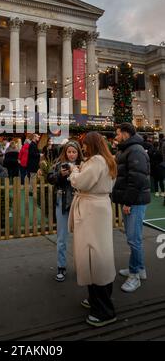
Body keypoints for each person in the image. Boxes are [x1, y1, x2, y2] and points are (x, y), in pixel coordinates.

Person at [68, 132, 117, 327]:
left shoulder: (97, 161)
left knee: (93, 254)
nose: (84, 148)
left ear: (93, 144)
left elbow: (81, 182)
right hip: (97, 208)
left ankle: (104, 310)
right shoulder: (106, 160)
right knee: (98, 252)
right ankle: (96, 299)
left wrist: (74, 171)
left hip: (91, 211)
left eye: (85, 144)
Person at [112, 122, 151, 292]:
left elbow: (137, 178)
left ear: (126, 133)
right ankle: (139, 269)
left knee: (133, 239)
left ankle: (135, 275)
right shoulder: (127, 149)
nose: (116, 136)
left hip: (134, 201)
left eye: (118, 133)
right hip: (132, 200)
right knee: (132, 237)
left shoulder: (135, 150)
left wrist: (128, 202)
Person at [47, 140, 83, 282]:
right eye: (69, 151)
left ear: (78, 152)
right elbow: (49, 178)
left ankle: (82, 265)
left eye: (74, 152)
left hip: (79, 202)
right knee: (62, 237)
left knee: (81, 237)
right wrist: (60, 175)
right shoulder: (58, 163)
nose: (72, 154)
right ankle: (61, 266)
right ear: (65, 152)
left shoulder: (83, 164)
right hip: (62, 202)